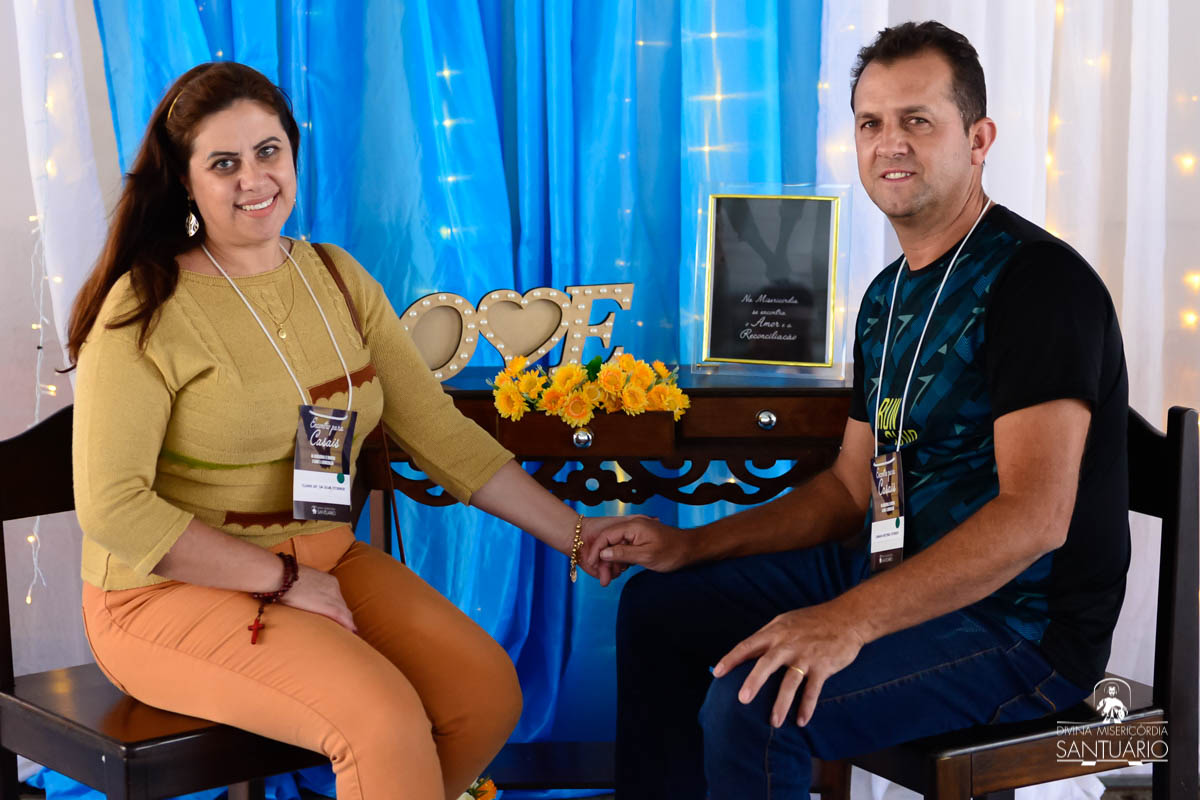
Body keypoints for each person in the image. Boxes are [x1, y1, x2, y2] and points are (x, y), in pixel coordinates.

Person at [586, 20, 1129, 798]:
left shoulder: (1038, 284)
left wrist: (847, 620)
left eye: (917, 120)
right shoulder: (885, 297)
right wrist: (691, 546)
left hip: (1019, 627)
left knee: (758, 706)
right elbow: (849, 487)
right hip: (890, 566)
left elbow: (1034, 519)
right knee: (659, 608)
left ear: (979, 139)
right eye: (871, 123)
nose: (889, 143)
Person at [68, 61, 624, 800]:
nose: (254, 178)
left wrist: (579, 535)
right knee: (381, 723)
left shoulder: (334, 275)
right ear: (185, 182)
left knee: (485, 692)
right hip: (165, 594)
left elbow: (437, 430)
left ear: (293, 154)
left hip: (323, 556)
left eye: (268, 151)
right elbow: (113, 508)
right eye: (224, 163)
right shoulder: (144, 307)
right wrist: (284, 580)